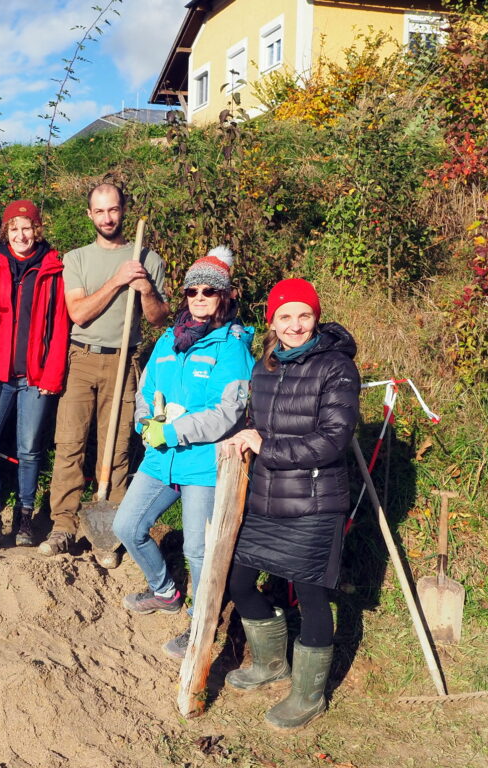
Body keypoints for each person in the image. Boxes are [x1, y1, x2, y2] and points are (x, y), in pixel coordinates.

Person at [222, 278, 360, 731]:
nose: (295, 325)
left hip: (314, 502)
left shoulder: (336, 368)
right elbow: (255, 423)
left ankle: (308, 695)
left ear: (316, 318)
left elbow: (333, 441)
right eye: (286, 316)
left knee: (314, 597)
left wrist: (265, 447)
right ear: (272, 322)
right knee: (241, 583)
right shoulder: (264, 367)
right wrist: (241, 441)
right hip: (265, 498)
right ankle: (270, 663)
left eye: (304, 316)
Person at [112, 247, 254, 658]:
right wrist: (144, 424)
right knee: (127, 527)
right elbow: (146, 390)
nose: (200, 297)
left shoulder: (232, 347)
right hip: (160, 458)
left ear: (224, 296)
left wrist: (171, 431)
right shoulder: (168, 342)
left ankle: (200, 624)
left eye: (210, 290)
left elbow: (226, 412)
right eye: (193, 290)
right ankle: (165, 591)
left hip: (203, 464)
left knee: (197, 549)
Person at [42, 183, 170, 566]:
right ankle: (63, 526)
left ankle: (107, 534)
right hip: (81, 358)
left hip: (124, 361)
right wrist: (117, 280)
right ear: (89, 215)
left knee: (115, 450)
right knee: (69, 444)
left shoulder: (149, 258)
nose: (107, 218)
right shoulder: (76, 258)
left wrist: (145, 287)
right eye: (100, 212)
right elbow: (78, 313)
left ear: (123, 210)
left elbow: (158, 319)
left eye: (113, 210)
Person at [0, 200, 69, 546]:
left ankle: (24, 516)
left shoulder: (54, 269)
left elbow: (59, 329)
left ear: (36, 230)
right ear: (5, 231)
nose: (21, 234)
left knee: (28, 450)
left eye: (27, 228)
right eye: (14, 228)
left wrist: (52, 376)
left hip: (34, 377)